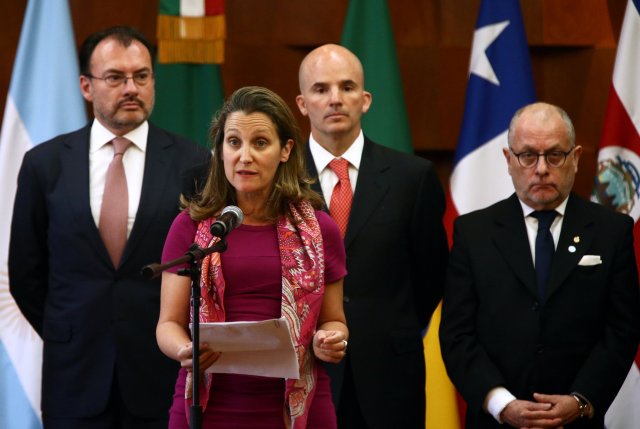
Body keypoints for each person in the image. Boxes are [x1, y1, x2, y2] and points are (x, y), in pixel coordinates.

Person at [8, 26, 210, 428]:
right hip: (74, 371)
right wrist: (70, 328)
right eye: (115, 77)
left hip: (161, 371)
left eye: (141, 76)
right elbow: (26, 274)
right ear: (86, 86)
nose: (131, 88)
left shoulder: (194, 163)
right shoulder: (44, 164)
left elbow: (207, 268)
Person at [156, 86, 349, 429]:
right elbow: (168, 324)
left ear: (286, 150)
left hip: (297, 408)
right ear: (220, 151)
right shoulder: (190, 227)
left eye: (260, 143)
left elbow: (334, 320)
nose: (244, 156)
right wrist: (184, 349)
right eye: (234, 142)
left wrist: (328, 340)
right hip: (209, 406)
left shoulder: (319, 230)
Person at [439, 102, 640, 428]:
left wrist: (581, 400)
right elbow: (457, 334)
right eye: (528, 156)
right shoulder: (473, 233)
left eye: (555, 155)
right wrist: (502, 404)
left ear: (575, 158)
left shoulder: (611, 232)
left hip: (578, 420)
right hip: (497, 421)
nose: (542, 168)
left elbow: (622, 329)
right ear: (508, 160)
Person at [295, 44, 449, 429]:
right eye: (321, 89)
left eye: (347, 87)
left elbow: (431, 276)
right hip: (302, 374)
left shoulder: (412, 178)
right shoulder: (278, 180)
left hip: (390, 376)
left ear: (365, 100)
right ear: (301, 103)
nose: (335, 99)